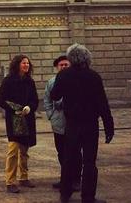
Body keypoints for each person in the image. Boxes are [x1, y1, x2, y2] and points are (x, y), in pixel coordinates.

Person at [51, 43, 114, 203]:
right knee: (89, 162)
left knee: (68, 159)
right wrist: (109, 126)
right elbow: (102, 103)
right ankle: (88, 197)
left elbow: (54, 95)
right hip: (90, 125)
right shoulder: (94, 76)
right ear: (87, 58)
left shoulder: (63, 75)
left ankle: (65, 194)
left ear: (70, 58)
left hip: (71, 124)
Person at [0, 54, 39, 194]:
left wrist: (29, 108)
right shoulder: (8, 81)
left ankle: (24, 177)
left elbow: (35, 100)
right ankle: (10, 182)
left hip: (27, 119)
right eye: (23, 63)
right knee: (13, 151)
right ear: (17, 65)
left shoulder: (30, 81)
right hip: (14, 120)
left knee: (24, 152)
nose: (26, 65)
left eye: (27, 63)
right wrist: (13, 109)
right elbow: (1, 99)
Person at [44, 55, 82, 190]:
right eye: (61, 65)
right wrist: (51, 115)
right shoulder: (51, 82)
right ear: (56, 67)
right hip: (58, 123)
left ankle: (77, 179)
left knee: (76, 152)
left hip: (74, 123)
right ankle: (66, 179)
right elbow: (47, 100)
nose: (64, 67)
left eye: (66, 64)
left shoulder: (76, 80)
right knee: (61, 153)